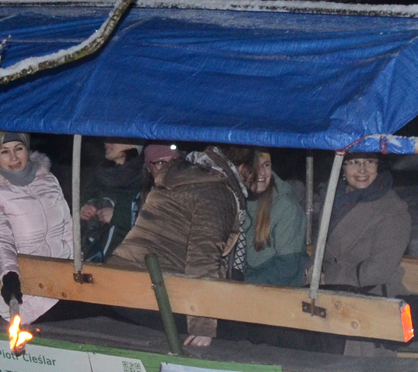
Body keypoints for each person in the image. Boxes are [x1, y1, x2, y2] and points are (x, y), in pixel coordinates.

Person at [111, 144, 242, 346]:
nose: (167, 167)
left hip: (123, 287)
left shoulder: (176, 188)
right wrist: (203, 325)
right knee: (238, 332)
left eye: (173, 161)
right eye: (160, 162)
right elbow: (203, 258)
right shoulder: (214, 193)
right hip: (152, 293)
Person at [0, 131, 74, 322]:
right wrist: (9, 275)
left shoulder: (47, 180)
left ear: (27, 150)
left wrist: (77, 267)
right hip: (26, 286)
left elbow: (68, 228)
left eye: (18, 149)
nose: (14, 158)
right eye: (5, 152)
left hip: (62, 279)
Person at [316, 151, 410, 296]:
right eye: (354, 162)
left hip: (371, 294)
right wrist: (311, 274)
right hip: (328, 289)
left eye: (369, 162)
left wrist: (329, 279)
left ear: (379, 166)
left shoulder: (392, 209)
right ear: (342, 167)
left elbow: (379, 270)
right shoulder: (334, 199)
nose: (362, 170)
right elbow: (320, 249)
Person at [241, 148, 308, 287]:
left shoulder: (286, 207)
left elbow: (287, 267)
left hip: (283, 289)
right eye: (254, 166)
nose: (261, 173)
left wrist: (242, 283)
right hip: (251, 283)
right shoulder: (235, 200)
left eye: (266, 165)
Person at [79, 140, 146, 262]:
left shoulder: (144, 176)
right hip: (93, 253)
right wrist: (84, 210)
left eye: (114, 139)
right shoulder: (99, 174)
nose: (106, 143)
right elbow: (83, 200)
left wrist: (117, 215)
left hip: (127, 257)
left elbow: (152, 219)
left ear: (133, 144)